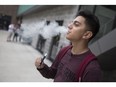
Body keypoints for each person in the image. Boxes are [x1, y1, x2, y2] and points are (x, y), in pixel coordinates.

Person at [35, 10, 102, 82]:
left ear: (87, 34)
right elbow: (52, 73)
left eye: (76, 24)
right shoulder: (64, 51)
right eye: (71, 23)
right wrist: (42, 67)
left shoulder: (92, 68)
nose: (69, 26)